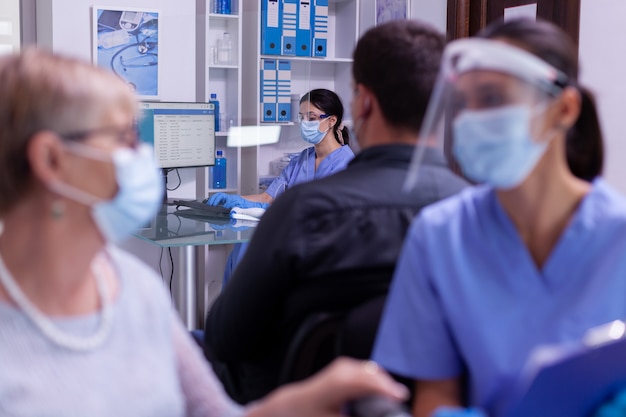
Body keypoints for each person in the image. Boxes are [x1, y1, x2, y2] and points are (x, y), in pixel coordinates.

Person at [0, 46, 411, 416]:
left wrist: (293, 405)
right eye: (123, 137)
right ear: (51, 160)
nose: (140, 155)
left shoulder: (136, 290)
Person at [203, 19, 469, 405]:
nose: (306, 123)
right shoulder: (473, 212)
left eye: (312, 117)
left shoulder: (304, 209)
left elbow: (225, 337)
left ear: (363, 103)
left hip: (297, 397)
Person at [372, 18, 625, 417]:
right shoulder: (440, 235)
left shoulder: (618, 236)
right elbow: (434, 395)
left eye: (491, 99)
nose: (470, 120)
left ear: (564, 108)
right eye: (463, 103)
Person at [208, 88, 355, 286]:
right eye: (301, 117)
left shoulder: (345, 164)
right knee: (244, 246)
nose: (304, 124)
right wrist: (234, 199)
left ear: (332, 121)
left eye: (311, 118)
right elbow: (267, 198)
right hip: (288, 235)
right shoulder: (302, 159)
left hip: (315, 246)